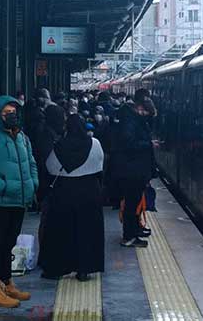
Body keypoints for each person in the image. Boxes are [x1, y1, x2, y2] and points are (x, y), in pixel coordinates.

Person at [0, 95, 37, 308]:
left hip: (19, 200)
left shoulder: (23, 137)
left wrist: (33, 183)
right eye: (6, 114)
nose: (11, 117)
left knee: (9, 243)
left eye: (13, 113)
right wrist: (3, 186)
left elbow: (31, 162)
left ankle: (7, 282)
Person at [40, 114, 105, 280]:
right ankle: (84, 269)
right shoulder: (95, 144)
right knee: (87, 232)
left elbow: (49, 167)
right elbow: (100, 166)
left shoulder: (57, 146)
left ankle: (56, 269)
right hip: (90, 192)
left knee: (60, 232)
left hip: (63, 193)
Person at [111, 90, 157, 247]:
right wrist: (149, 144)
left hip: (135, 169)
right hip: (131, 171)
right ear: (139, 108)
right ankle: (129, 236)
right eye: (145, 112)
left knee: (135, 202)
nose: (145, 115)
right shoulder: (130, 122)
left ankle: (135, 230)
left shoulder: (132, 119)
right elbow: (128, 144)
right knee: (131, 204)